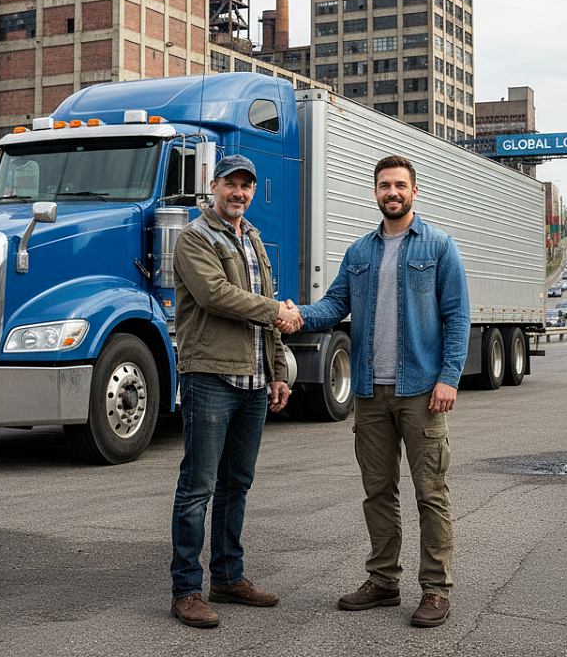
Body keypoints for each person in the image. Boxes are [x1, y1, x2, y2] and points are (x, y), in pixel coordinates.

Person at [294, 154, 470, 628]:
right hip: (371, 393)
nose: (391, 192)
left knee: (431, 492)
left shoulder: (438, 246)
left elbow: (457, 318)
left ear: (414, 190)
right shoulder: (360, 253)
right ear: (374, 192)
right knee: (378, 491)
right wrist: (294, 314)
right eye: (384, 186)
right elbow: (334, 305)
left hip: (421, 393)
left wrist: (449, 377)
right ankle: (384, 581)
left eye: (399, 185)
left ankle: (435, 590)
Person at [169, 154, 303, 629]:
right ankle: (186, 589)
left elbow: (266, 318)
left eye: (246, 186)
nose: (239, 193)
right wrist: (276, 310)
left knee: (236, 485)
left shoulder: (252, 237)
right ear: (214, 185)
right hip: (209, 377)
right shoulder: (194, 237)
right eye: (231, 184)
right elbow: (215, 296)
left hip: (252, 381)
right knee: (198, 487)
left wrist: (278, 371)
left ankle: (228, 576)